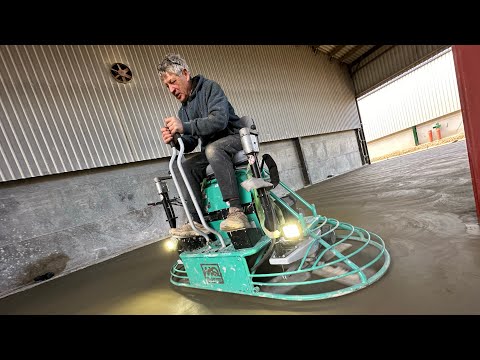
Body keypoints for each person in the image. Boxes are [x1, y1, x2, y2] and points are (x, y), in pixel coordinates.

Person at [158, 53, 251, 237]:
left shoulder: (210, 88)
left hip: (234, 138)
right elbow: (191, 143)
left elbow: (219, 121)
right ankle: (197, 221)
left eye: (173, 81)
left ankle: (236, 212)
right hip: (212, 149)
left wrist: (184, 126)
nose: (171, 89)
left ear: (185, 74)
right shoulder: (183, 109)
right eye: (167, 85)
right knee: (182, 167)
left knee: (212, 149)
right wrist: (176, 140)